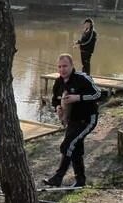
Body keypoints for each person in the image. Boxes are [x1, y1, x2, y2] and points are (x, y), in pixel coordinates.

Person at [43, 54, 101, 187]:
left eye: (65, 66)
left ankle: (58, 178)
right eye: (59, 66)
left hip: (88, 119)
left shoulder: (82, 78)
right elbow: (55, 99)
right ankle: (80, 181)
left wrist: (78, 98)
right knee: (75, 148)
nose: (62, 69)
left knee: (67, 145)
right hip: (72, 120)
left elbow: (98, 94)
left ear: (72, 66)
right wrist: (57, 106)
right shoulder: (58, 82)